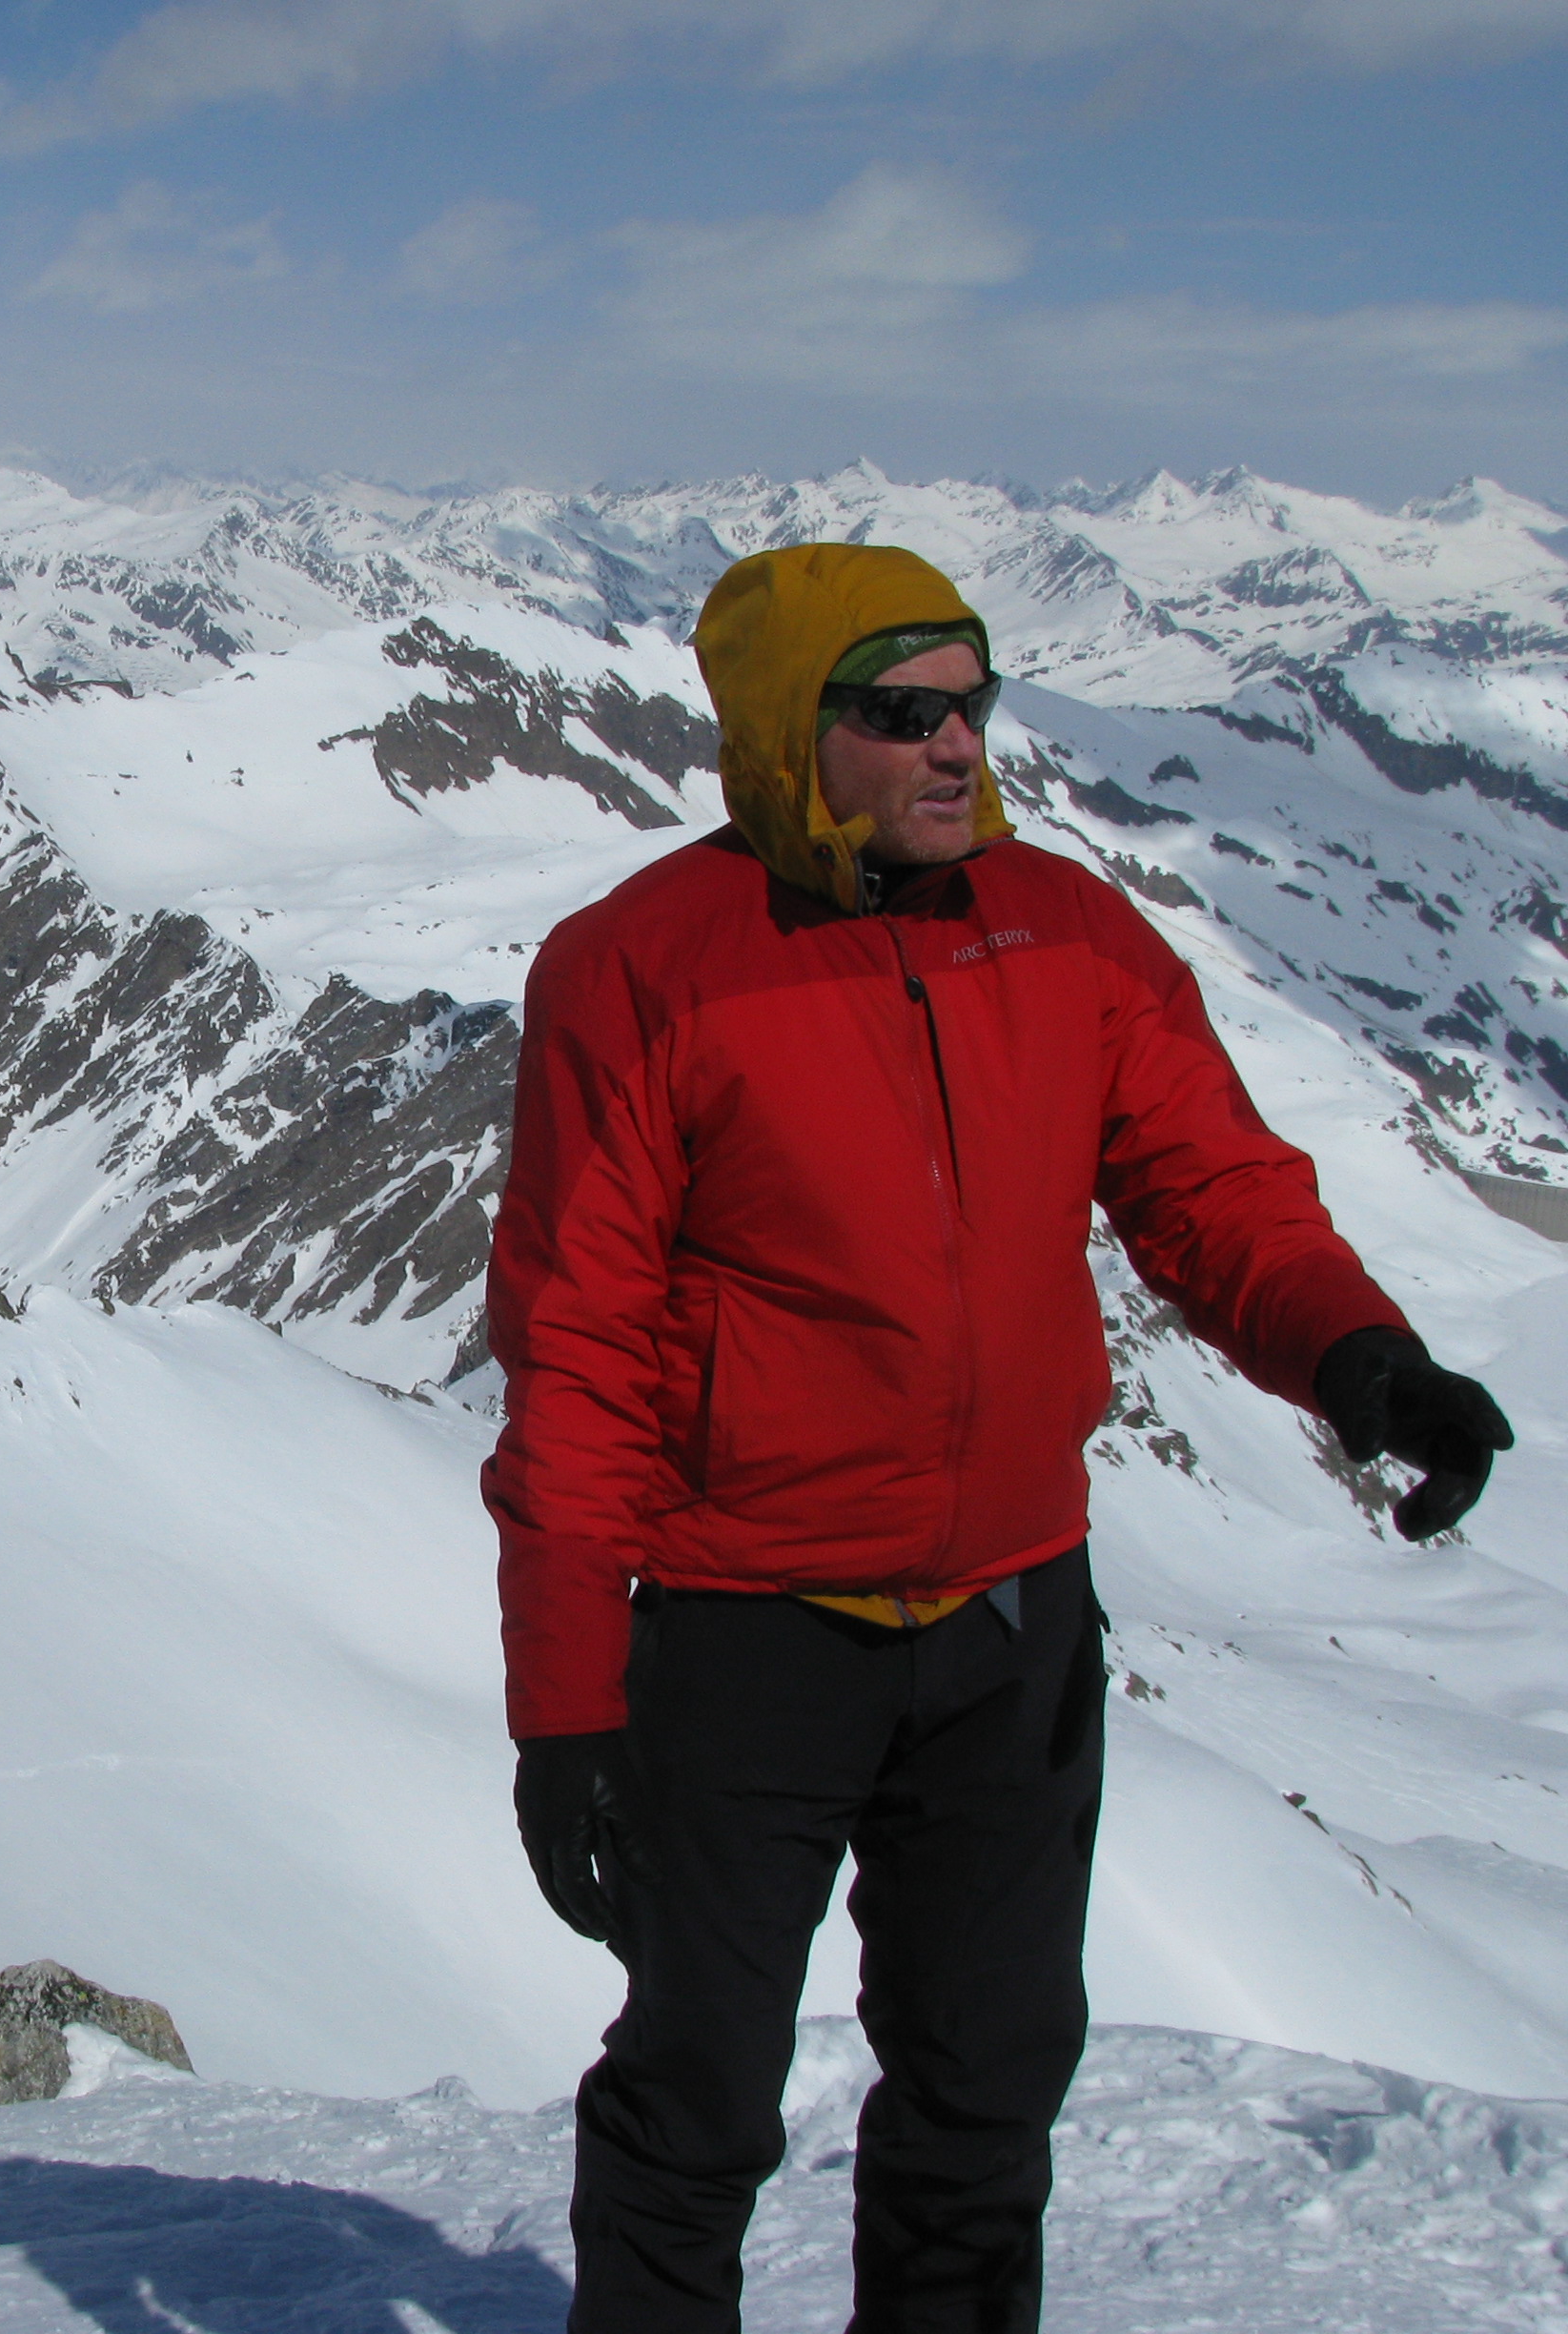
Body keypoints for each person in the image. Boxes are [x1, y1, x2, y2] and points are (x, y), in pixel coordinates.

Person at [479, 542, 1514, 2332]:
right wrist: (569, 1708)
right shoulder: (638, 969)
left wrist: (1363, 1363)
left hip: (1013, 1626)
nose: (959, 747)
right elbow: (576, 1348)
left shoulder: (1069, 935)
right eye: (905, 713)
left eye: (974, 704)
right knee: (697, 2099)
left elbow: (1211, 1189)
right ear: (795, 733)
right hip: (747, 1632)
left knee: (986, 2090)